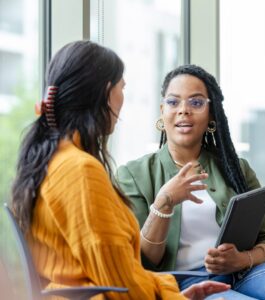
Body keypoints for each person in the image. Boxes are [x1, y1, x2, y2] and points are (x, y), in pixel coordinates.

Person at [10, 41, 230, 300]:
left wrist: (175, 295)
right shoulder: (80, 172)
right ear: (106, 93)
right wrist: (174, 296)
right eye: (122, 88)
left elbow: (118, 275)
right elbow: (122, 285)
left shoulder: (55, 161)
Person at [117, 64, 265, 299]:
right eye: (173, 102)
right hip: (182, 283)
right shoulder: (133, 175)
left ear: (211, 114)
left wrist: (241, 259)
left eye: (196, 103)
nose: (183, 110)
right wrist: (164, 203)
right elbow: (142, 260)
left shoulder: (236, 169)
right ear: (162, 111)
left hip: (242, 275)